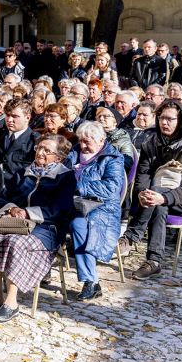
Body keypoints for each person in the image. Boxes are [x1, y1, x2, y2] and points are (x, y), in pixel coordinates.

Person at [0, 133, 76, 321]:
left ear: (59, 157)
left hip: (47, 228)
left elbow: (61, 209)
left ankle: (11, 302)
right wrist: (13, 209)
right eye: (39, 148)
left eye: (47, 150)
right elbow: (3, 198)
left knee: (16, 244)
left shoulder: (65, 177)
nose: (41, 153)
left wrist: (29, 213)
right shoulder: (23, 172)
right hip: (15, 222)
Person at [118, 100, 182, 279]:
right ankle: (154, 262)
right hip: (156, 199)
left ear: (180, 122)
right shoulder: (150, 144)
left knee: (159, 198)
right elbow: (142, 175)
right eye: (161, 118)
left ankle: (131, 235)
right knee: (158, 204)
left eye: (169, 119)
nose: (164, 122)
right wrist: (142, 192)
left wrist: (164, 197)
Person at [66, 121, 126, 301]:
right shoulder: (73, 154)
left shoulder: (113, 158)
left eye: (87, 142)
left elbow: (112, 188)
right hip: (72, 203)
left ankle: (89, 281)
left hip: (102, 208)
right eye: (81, 141)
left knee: (79, 225)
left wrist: (78, 186)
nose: (83, 145)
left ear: (101, 140)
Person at [0, 98, 37, 177]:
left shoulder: (35, 141)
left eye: (15, 116)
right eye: (7, 115)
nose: (9, 120)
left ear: (27, 117)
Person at [94, 107, 135, 172]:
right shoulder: (92, 136)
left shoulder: (123, 140)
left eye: (105, 116)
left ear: (115, 121)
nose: (101, 119)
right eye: (99, 116)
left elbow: (127, 163)